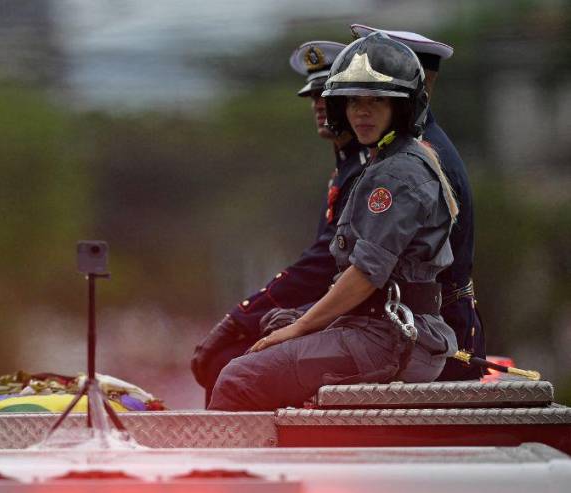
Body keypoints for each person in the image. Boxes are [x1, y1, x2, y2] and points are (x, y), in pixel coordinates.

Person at [209, 32, 459, 411]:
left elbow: (366, 274)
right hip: (380, 328)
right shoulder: (387, 161)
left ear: (403, 108)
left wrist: (301, 326)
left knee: (237, 379)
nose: (361, 111)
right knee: (270, 330)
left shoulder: (395, 173)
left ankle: (235, 473)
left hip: (388, 336)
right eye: (353, 100)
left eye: (376, 101)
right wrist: (293, 321)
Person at [191, 40, 368, 400]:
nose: (319, 105)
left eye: (329, 95)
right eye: (313, 97)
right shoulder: (348, 167)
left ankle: (245, 457)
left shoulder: (368, 169)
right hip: (346, 313)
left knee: (230, 365)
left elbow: (325, 263)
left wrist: (243, 317)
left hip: (372, 324)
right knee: (228, 357)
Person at [350, 25, 485, 380]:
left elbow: (372, 266)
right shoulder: (402, 146)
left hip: (428, 333)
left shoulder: (417, 158)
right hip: (414, 326)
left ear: (415, 82)